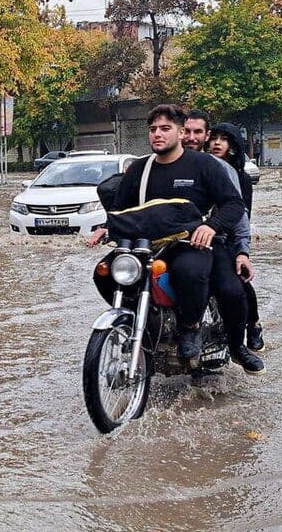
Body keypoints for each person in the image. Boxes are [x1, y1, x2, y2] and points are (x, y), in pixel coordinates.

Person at [88, 105, 258, 373]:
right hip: (147, 244)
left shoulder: (205, 165)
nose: (157, 134)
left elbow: (233, 205)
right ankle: (143, 323)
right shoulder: (139, 169)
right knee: (104, 272)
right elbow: (121, 209)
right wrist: (106, 227)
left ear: (180, 132)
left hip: (191, 243)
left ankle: (198, 330)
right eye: (153, 129)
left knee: (210, 280)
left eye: (165, 128)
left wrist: (213, 227)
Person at [208, 123, 266, 354]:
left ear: (232, 146)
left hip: (229, 234)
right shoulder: (202, 167)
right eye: (214, 138)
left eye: (223, 139)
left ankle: (253, 324)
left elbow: (242, 214)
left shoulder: (240, 178)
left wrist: (240, 248)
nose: (217, 143)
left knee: (240, 280)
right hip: (204, 233)